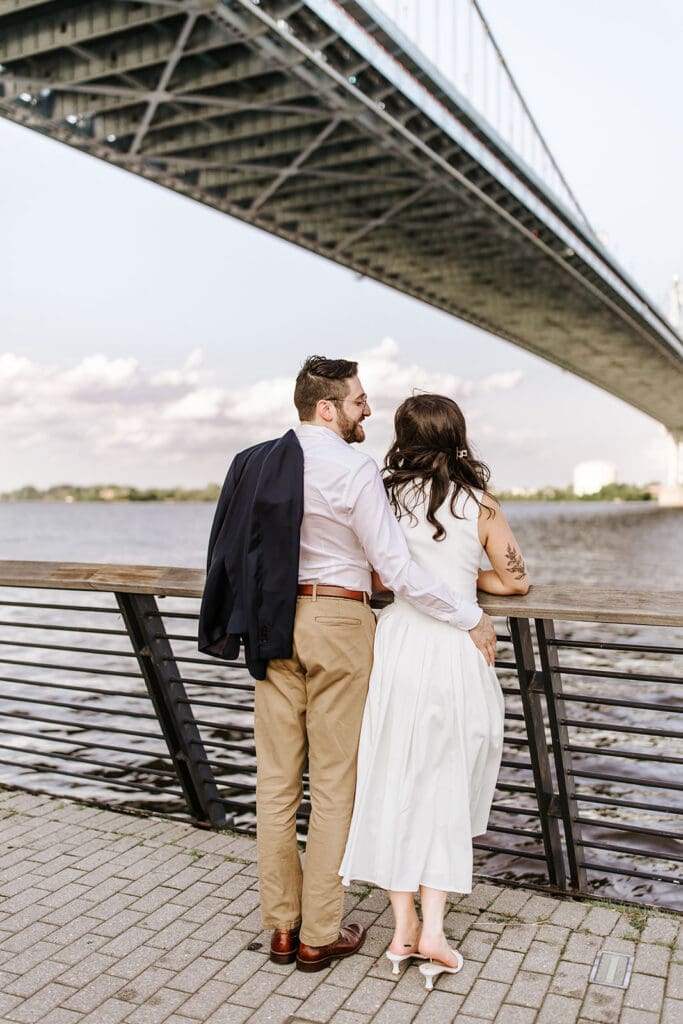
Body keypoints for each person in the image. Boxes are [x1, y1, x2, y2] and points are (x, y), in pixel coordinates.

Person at [200, 357, 497, 973]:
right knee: (335, 784)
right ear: (328, 407)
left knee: (276, 784)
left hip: (270, 624)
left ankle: (280, 930)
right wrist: (467, 614)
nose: (368, 411)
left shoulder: (254, 462)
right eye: (360, 401)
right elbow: (400, 572)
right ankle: (319, 934)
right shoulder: (353, 471)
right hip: (337, 622)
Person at [339, 393, 529, 990]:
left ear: (403, 436)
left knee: (394, 774)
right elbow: (517, 582)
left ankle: (400, 929)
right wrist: (467, 571)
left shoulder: (385, 499)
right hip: (455, 649)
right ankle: (435, 934)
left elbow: (378, 576)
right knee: (445, 783)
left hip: (397, 646)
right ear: (457, 435)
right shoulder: (481, 505)